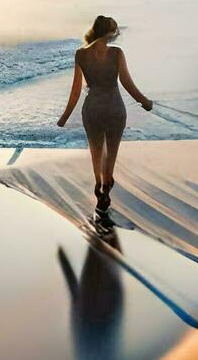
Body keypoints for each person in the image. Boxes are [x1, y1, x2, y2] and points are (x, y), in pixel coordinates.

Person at [58, 15, 153, 218]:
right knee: (111, 151)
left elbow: (75, 91)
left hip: (92, 109)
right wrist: (145, 101)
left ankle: (99, 183)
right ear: (110, 33)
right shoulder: (117, 53)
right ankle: (108, 180)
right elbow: (127, 83)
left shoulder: (81, 55)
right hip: (114, 109)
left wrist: (64, 117)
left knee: (96, 149)